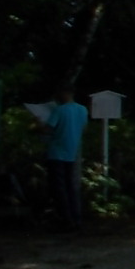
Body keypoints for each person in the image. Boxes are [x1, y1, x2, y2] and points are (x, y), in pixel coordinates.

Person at [43, 87, 88, 229]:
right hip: (71, 153)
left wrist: (37, 124)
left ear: (64, 93)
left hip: (56, 152)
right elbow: (83, 129)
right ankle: (76, 217)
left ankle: (65, 219)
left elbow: (48, 129)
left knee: (59, 188)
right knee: (70, 186)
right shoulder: (83, 110)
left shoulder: (59, 110)